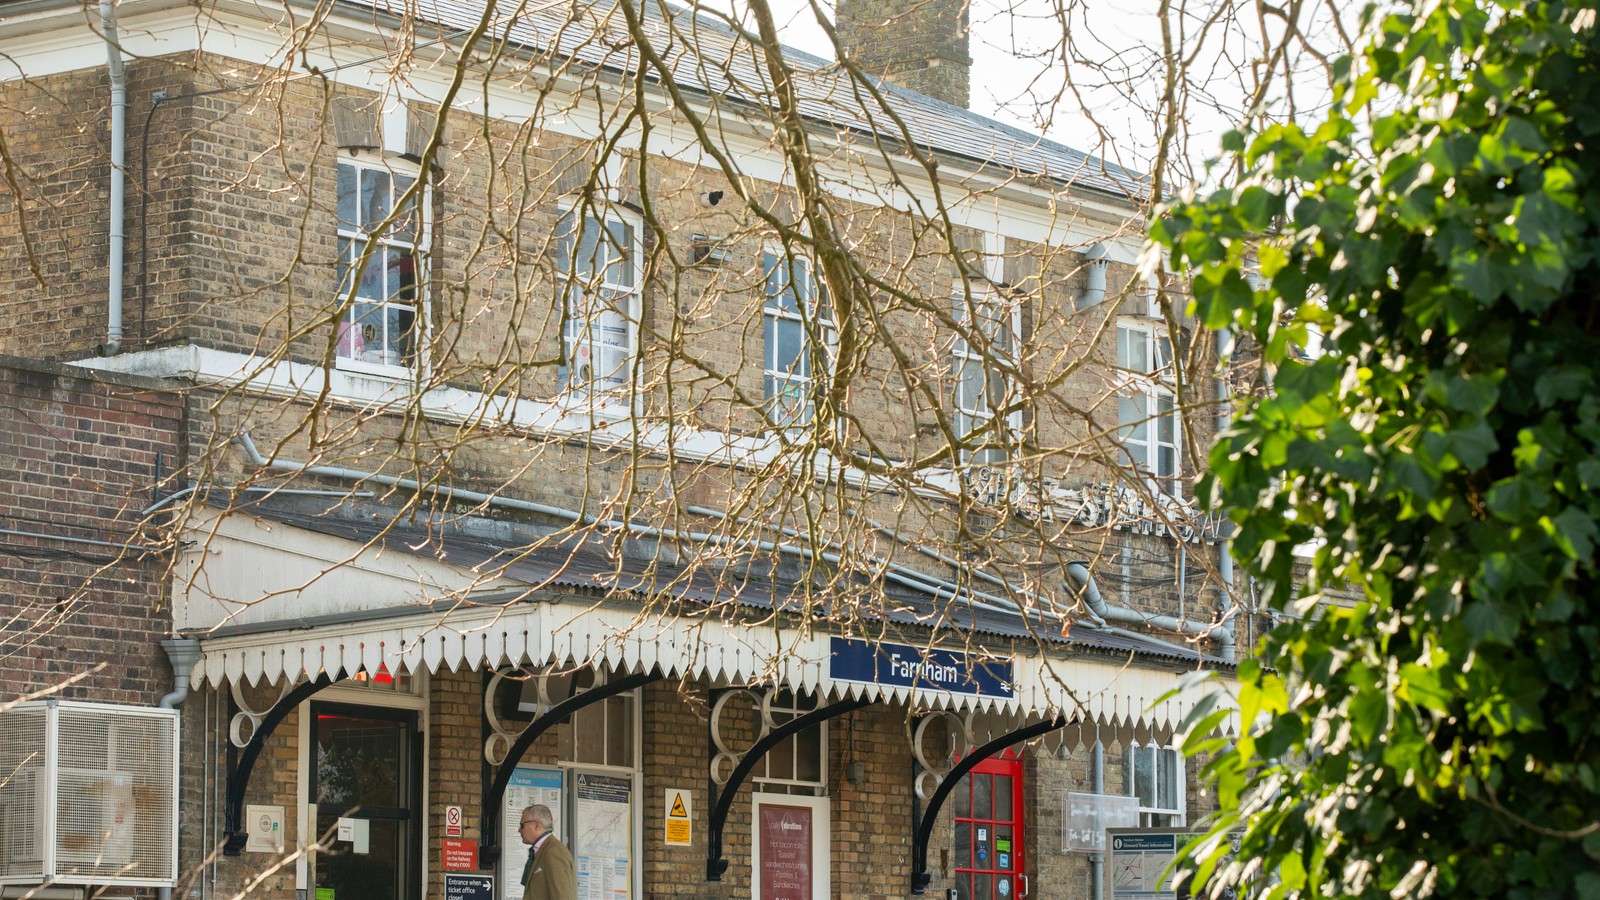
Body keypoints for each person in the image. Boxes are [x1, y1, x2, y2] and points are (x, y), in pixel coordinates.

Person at [518, 803, 576, 900]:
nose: (519, 830)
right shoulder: (543, 850)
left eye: (522, 825)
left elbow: (563, 897)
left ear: (536, 825)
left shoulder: (554, 852)